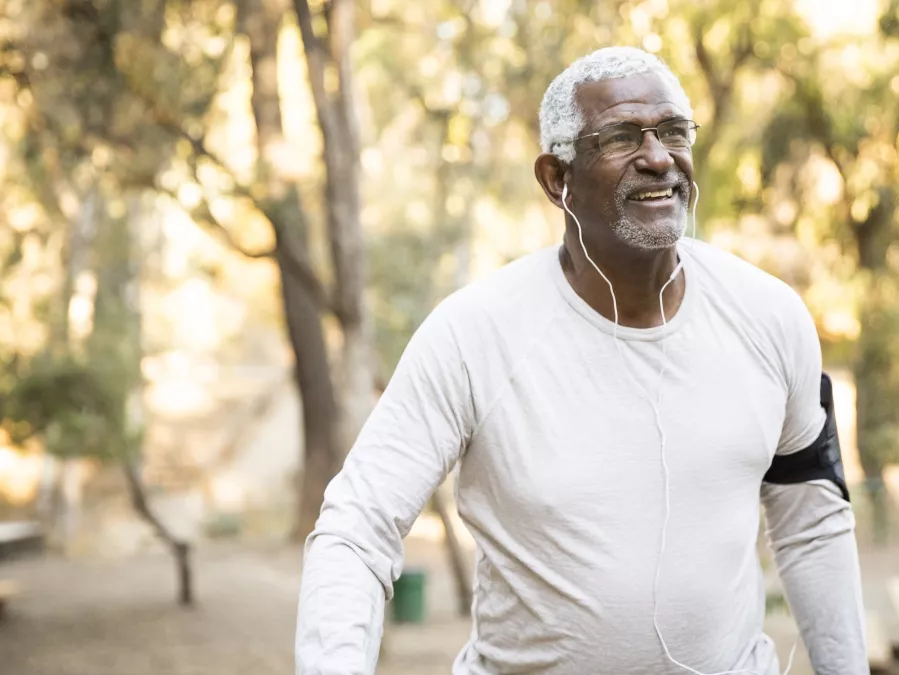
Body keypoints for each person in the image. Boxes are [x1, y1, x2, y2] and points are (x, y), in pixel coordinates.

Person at [296, 46, 869, 675]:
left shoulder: (771, 317)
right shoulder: (472, 335)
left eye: (674, 131)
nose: (658, 157)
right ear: (555, 178)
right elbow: (356, 529)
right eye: (621, 138)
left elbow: (813, 524)